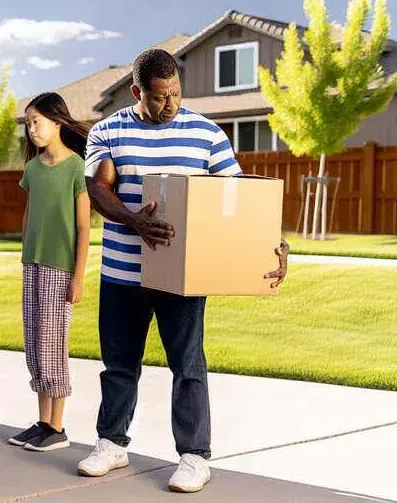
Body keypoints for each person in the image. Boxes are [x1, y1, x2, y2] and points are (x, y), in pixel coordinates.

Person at [78, 48, 289, 492]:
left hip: (183, 275)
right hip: (123, 272)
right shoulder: (109, 131)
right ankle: (111, 444)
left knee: (187, 364)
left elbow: (236, 203)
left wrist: (272, 244)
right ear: (137, 91)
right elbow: (98, 189)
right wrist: (135, 219)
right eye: (159, 96)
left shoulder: (207, 134)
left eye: (176, 93)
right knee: (119, 364)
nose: (170, 103)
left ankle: (194, 456)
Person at [8, 92, 90, 453]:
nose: (32, 129)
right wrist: (26, 252)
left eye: (36, 122)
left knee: (53, 346)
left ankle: (58, 427)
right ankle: (43, 423)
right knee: (35, 346)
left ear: (57, 122)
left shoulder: (76, 167)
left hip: (61, 268)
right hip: (34, 265)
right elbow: (29, 214)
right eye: (28, 123)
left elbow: (85, 228)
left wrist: (78, 276)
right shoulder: (32, 168)